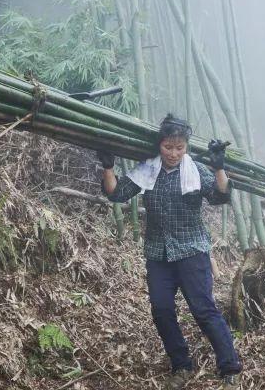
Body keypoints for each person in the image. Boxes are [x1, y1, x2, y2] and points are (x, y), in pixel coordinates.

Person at [98, 114, 242, 390]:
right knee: (161, 310)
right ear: (159, 145)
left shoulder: (196, 170)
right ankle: (181, 365)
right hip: (158, 253)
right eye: (168, 147)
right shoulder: (147, 170)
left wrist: (219, 166)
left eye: (179, 148)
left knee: (203, 310)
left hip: (191, 251)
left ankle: (229, 366)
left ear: (186, 147)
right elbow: (115, 193)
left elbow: (220, 196)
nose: (174, 154)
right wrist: (108, 165)